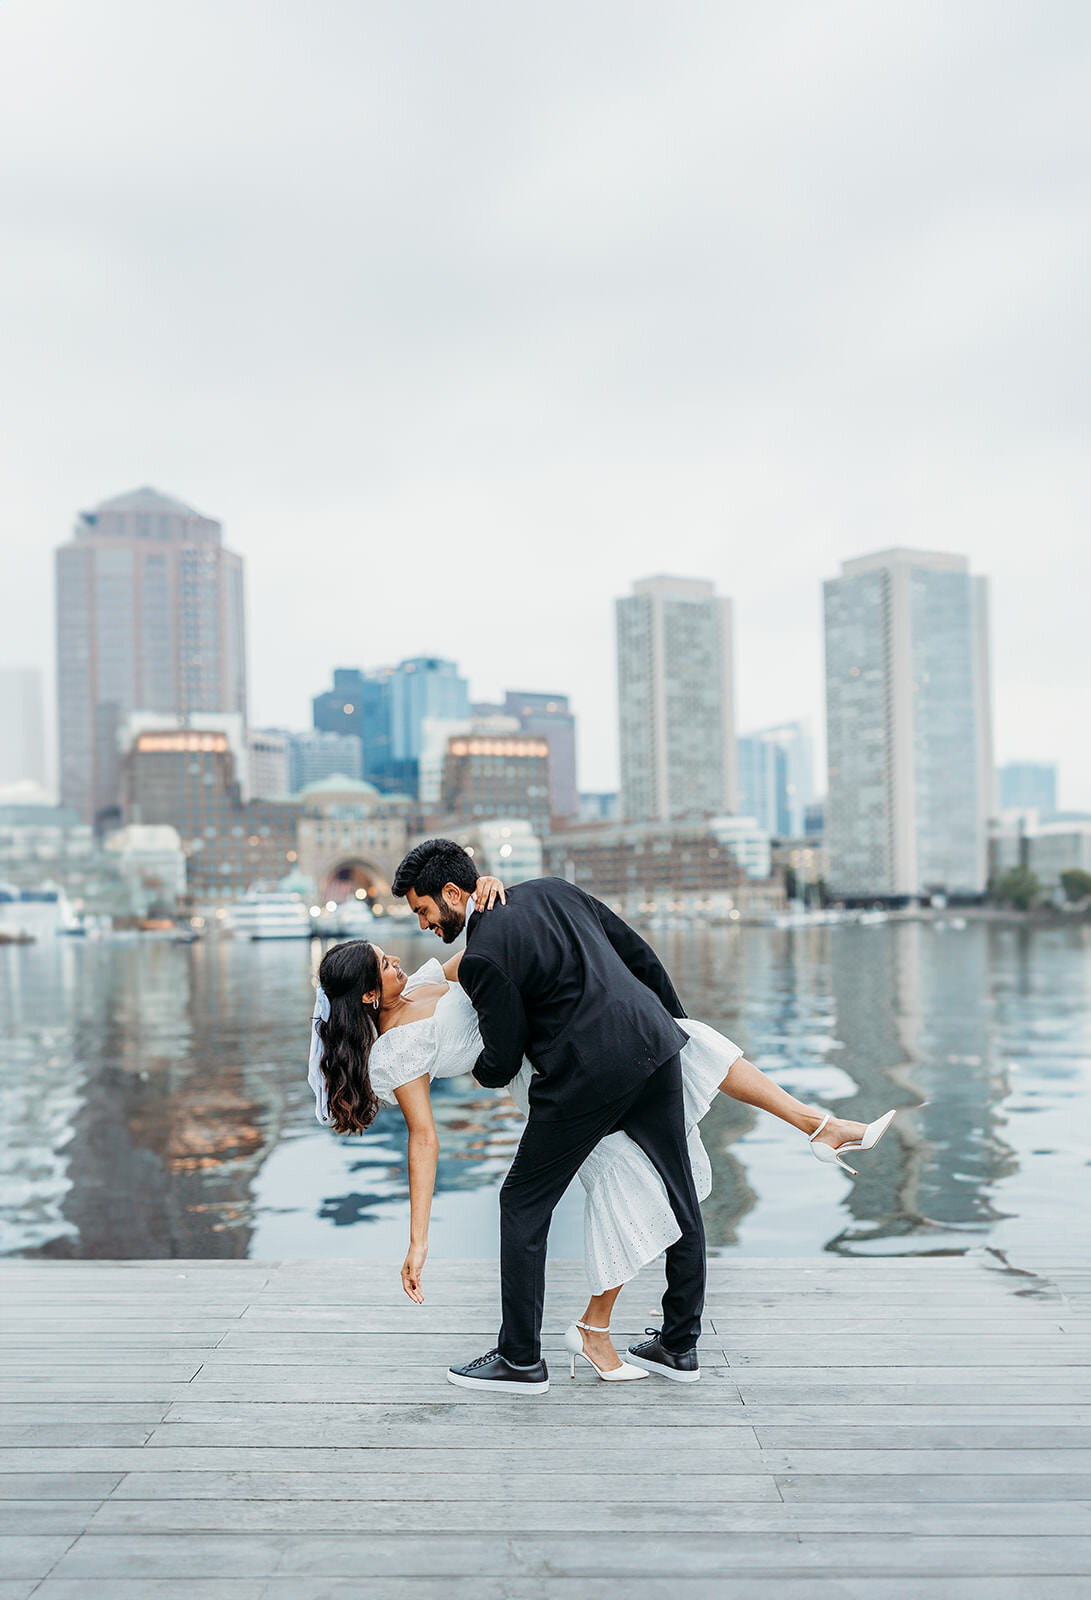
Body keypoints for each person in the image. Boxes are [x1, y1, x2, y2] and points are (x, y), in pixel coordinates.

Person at [308, 845, 898, 1393]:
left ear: (456, 895)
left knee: (523, 1204)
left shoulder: (474, 958)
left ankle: (521, 1358)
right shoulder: (550, 891)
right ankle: (677, 1344)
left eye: (423, 911)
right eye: (396, 944)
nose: (419, 930)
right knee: (678, 1184)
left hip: (579, 1076)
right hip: (648, 1040)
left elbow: (502, 1053)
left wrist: (490, 1075)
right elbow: (636, 950)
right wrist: (670, 1029)